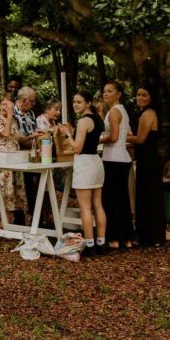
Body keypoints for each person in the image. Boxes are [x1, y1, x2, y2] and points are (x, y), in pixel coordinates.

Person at [59, 92, 108, 257]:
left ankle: (89, 244)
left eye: (79, 102)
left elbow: (77, 148)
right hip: (96, 161)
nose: (75, 104)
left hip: (85, 163)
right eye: (73, 101)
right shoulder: (96, 119)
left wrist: (67, 134)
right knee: (98, 205)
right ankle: (102, 242)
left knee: (85, 208)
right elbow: (87, 140)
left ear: (88, 103)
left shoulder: (83, 121)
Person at [127, 84, 166, 248]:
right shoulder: (146, 114)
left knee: (149, 195)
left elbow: (141, 139)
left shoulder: (147, 115)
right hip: (147, 158)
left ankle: (150, 235)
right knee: (149, 195)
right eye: (138, 95)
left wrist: (124, 137)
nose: (140, 98)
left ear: (151, 98)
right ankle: (152, 234)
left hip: (149, 160)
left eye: (144, 95)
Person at [101, 80, 134, 250]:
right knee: (122, 199)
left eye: (109, 91)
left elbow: (113, 137)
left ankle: (114, 237)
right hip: (122, 157)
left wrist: (99, 139)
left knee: (111, 199)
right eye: (104, 91)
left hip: (113, 158)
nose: (105, 94)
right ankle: (126, 237)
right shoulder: (122, 111)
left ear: (118, 94)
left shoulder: (114, 112)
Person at [0, 94, 27, 218]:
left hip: (14, 157)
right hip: (2, 158)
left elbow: (17, 137)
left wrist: (34, 135)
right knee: (4, 188)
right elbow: (5, 133)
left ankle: (12, 221)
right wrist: (9, 115)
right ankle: (3, 223)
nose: (6, 107)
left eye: (9, 105)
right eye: (4, 104)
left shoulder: (14, 119)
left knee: (14, 189)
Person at [13, 86, 42, 225]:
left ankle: (35, 218)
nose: (34, 104)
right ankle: (19, 220)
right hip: (17, 156)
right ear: (24, 100)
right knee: (18, 188)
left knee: (32, 186)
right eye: (32, 101)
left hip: (31, 153)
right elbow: (16, 138)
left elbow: (35, 132)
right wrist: (32, 137)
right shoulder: (11, 113)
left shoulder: (31, 113)